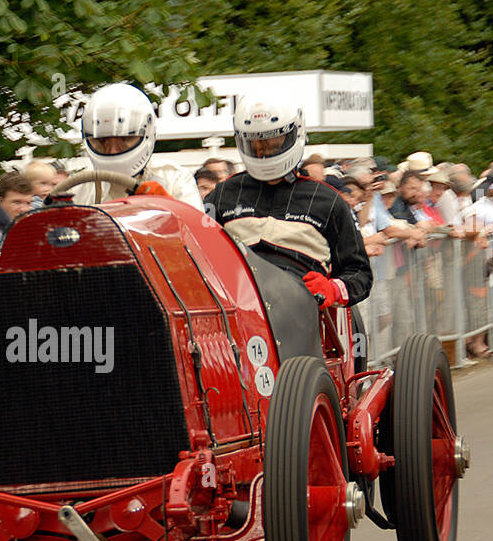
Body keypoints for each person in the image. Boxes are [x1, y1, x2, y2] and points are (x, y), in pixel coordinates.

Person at [204, 92, 372, 364]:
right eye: (256, 144)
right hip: (237, 294)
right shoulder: (223, 195)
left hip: (301, 296)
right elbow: (202, 253)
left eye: (272, 143)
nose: (263, 151)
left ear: (293, 136)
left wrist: (332, 289)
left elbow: (360, 272)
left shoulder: (328, 200)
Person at [69, 83, 204, 210]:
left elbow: (195, 230)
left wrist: (168, 209)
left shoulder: (174, 178)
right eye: (102, 141)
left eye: (124, 139)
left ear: (148, 133)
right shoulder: (79, 187)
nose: (112, 150)